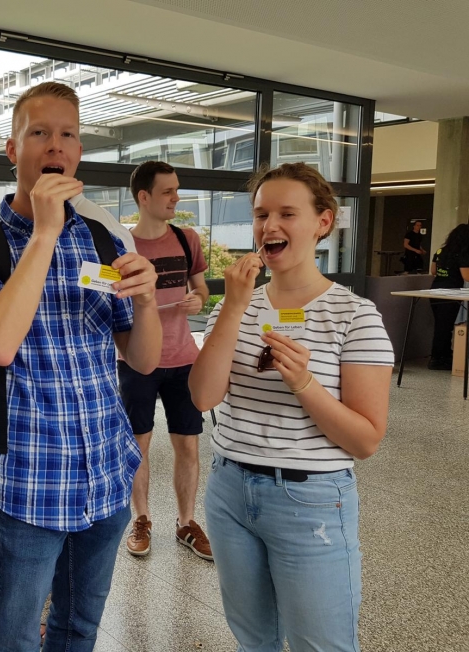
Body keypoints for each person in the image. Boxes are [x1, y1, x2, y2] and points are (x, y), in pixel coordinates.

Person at [0, 81, 161, 652]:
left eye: (67, 134)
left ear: (79, 151)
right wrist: (43, 233)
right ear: (13, 150)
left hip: (108, 473)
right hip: (31, 482)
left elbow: (142, 357)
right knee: (14, 637)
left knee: (78, 630)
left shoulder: (102, 240)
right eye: (39, 132)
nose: (54, 145)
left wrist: (145, 299)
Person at [189, 162, 394, 652]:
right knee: (253, 639)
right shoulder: (235, 306)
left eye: (287, 213)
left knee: (320, 644)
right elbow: (202, 396)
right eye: (261, 214)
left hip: (311, 501)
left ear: (324, 222)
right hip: (229, 491)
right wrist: (234, 305)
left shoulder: (356, 316)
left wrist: (304, 382)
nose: (269, 226)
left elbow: (365, 440)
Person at [120, 161, 213, 561]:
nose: (177, 198)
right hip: (137, 362)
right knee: (138, 445)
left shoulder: (186, 238)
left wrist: (198, 298)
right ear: (144, 197)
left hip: (184, 359)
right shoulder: (121, 245)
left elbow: (202, 287)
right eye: (168, 192)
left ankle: (186, 521)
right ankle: (141, 519)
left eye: (177, 190)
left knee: (188, 445)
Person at [427, 223, 469, 370]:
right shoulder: (463, 253)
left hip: (435, 290)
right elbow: (466, 276)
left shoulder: (441, 250)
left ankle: (441, 356)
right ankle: (439, 359)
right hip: (451, 292)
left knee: (440, 325)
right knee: (445, 327)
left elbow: (433, 271)